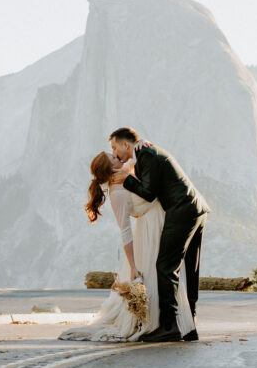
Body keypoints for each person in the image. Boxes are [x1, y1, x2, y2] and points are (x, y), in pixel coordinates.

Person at [59, 151, 194, 342]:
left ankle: (170, 324)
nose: (117, 156)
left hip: (160, 222)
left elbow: (134, 158)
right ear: (110, 168)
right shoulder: (117, 192)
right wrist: (132, 266)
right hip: (149, 231)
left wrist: (141, 144)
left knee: (167, 272)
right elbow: (125, 230)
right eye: (113, 157)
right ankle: (160, 324)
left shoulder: (124, 175)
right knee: (158, 274)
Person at [110, 127, 210, 343]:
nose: (114, 153)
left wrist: (126, 179)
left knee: (166, 267)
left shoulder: (146, 155)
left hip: (182, 210)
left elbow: (148, 192)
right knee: (189, 268)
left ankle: (169, 326)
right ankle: (189, 326)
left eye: (114, 147)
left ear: (125, 145)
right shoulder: (146, 152)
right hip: (196, 208)